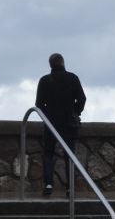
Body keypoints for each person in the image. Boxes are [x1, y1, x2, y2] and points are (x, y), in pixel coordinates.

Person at [35, 53, 86, 196]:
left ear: (50, 65)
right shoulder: (73, 78)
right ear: (63, 63)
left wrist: (47, 115)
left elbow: (38, 104)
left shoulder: (44, 80)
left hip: (51, 123)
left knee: (48, 153)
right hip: (69, 122)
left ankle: (48, 184)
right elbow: (82, 99)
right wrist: (76, 112)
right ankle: (70, 188)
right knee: (69, 154)